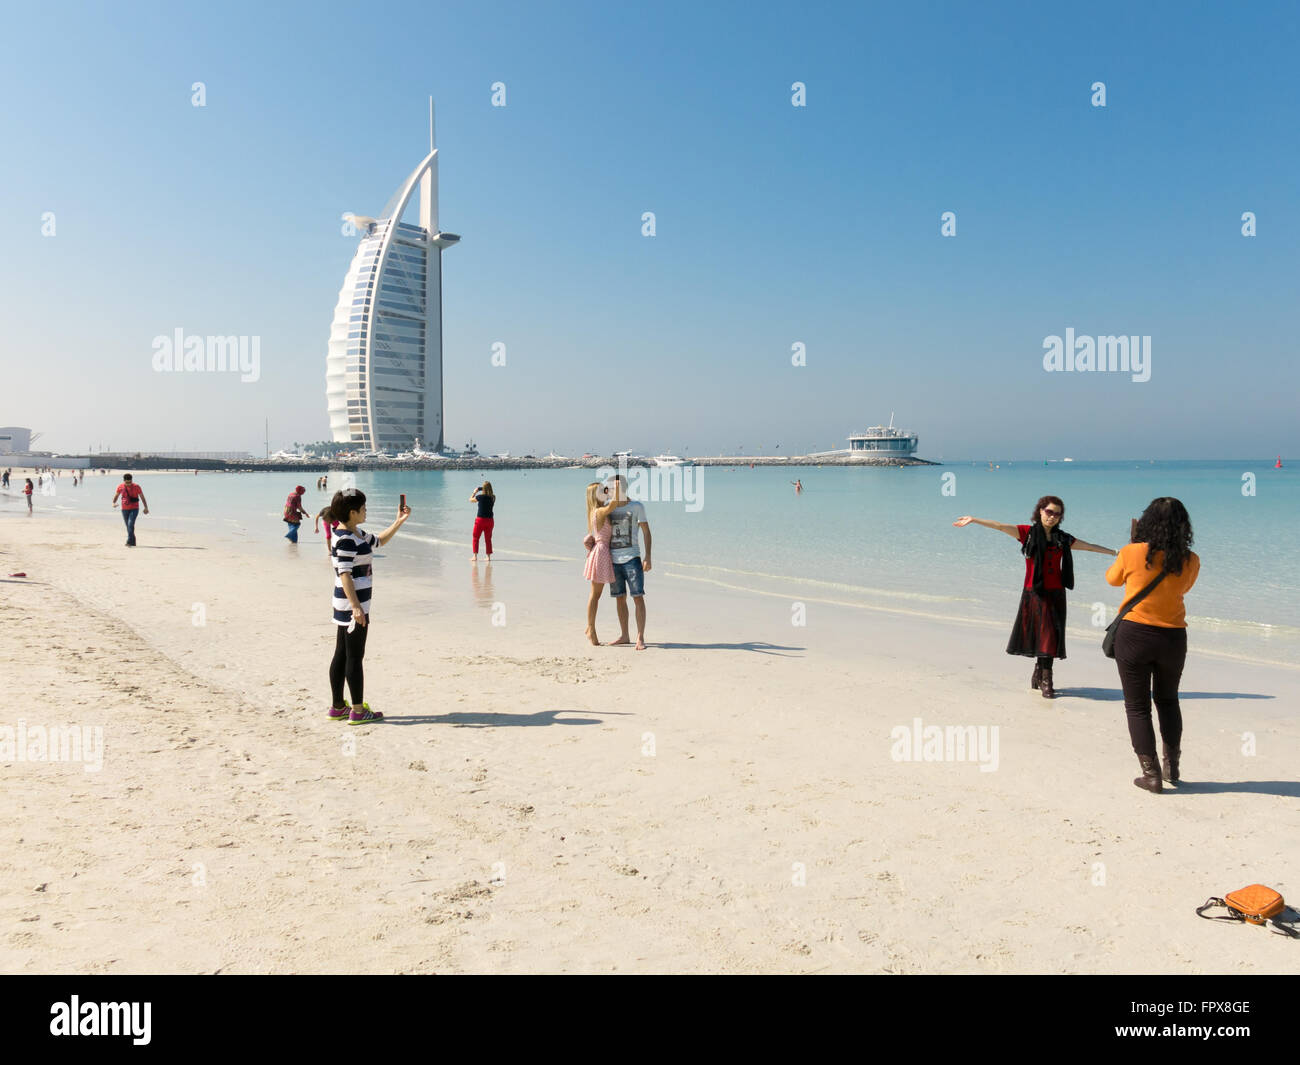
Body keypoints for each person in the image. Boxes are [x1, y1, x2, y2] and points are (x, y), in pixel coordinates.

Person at [954, 496, 1115, 697]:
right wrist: (975, 519)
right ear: (1040, 511)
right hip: (1035, 592)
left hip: (1057, 593)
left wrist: (1116, 553)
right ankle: (1046, 679)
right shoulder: (1027, 533)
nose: (1052, 517)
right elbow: (1001, 526)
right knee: (1046, 633)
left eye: (1057, 514)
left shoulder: (1063, 538)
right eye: (1049, 512)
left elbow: (1089, 546)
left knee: (1050, 635)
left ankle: (1040, 673)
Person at [1106, 497, 1200, 793]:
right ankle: (1172, 765)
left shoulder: (1131, 551)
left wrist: (1134, 545)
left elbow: (1112, 580)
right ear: (1183, 526)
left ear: (1146, 522)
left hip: (1134, 635)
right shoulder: (1190, 559)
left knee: (1137, 707)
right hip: (1173, 637)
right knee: (1168, 700)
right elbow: (1184, 588)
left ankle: (1151, 774)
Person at [326, 488, 411, 725]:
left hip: (349, 604)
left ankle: (338, 707)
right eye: (363, 508)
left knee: (343, 654)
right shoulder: (345, 538)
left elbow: (379, 540)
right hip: (352, 605)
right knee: (354, 656)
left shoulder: (355, 532)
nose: (366, 511)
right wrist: (356, 607)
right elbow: (344, 574)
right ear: (352, 512)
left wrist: (399, 521)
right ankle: (357, 710)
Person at [606, 474, 652, 650]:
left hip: (632, 558)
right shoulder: (607, 508)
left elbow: (647, 533)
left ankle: (640, 637)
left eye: (617, 487)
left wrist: (648, 557)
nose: (613, 491)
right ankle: (625, 635)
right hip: (613, 560)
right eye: (611, 488)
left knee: (638, 597)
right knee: (619, 599)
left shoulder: (637, 506)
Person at [583, 481, 619, 645]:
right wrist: (616, 489)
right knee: (595, 595)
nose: (605, 492)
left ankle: (590, 627)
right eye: (602, 491)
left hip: (601, 552)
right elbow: (613, 505)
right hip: (601, 553)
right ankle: (591, 628)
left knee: (595, 595)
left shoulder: (596, 511)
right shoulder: (599, 512)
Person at [111, 473, 148, 546]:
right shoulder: (120, 487)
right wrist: (113, 503)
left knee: (130, 524)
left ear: (132, 480)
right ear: (124, 481)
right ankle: (133, 541)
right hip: (124, 509)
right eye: (127, 482)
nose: (128, 484)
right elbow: (116, 496)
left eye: (130, 482)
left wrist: (146, 507)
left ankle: (128, 541)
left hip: (134, 508)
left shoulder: (136, 486)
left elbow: (142, 497)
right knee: (128, 526)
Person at [470, 481, 495, 561]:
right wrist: (481, 488)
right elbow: (488, 490)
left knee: (475, 537)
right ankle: (488, 557)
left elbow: (470, 500)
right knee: (488, 539)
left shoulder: (480, 497)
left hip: (480, 520)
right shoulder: (493, 497)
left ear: (483, 489)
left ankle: (475, 556)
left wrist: (474, 492)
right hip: (490, 521)